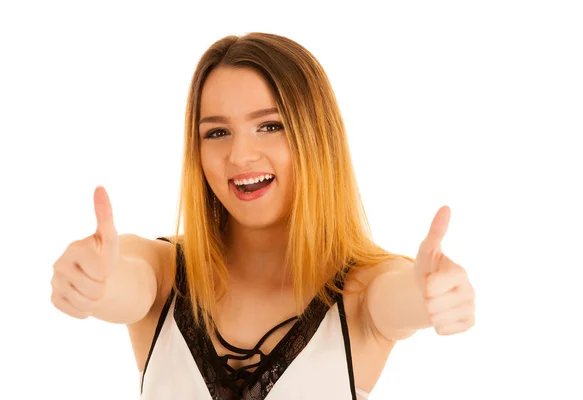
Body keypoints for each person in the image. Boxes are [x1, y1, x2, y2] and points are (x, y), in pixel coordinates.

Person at [50, 32, 476, 399]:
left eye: (270, 126)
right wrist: (93, 283)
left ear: (316, 135)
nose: (240, 155)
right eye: (216, 132)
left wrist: (433, 298)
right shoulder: (162, 274)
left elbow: (400, 298)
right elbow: (125, 280)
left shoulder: (363, 292)